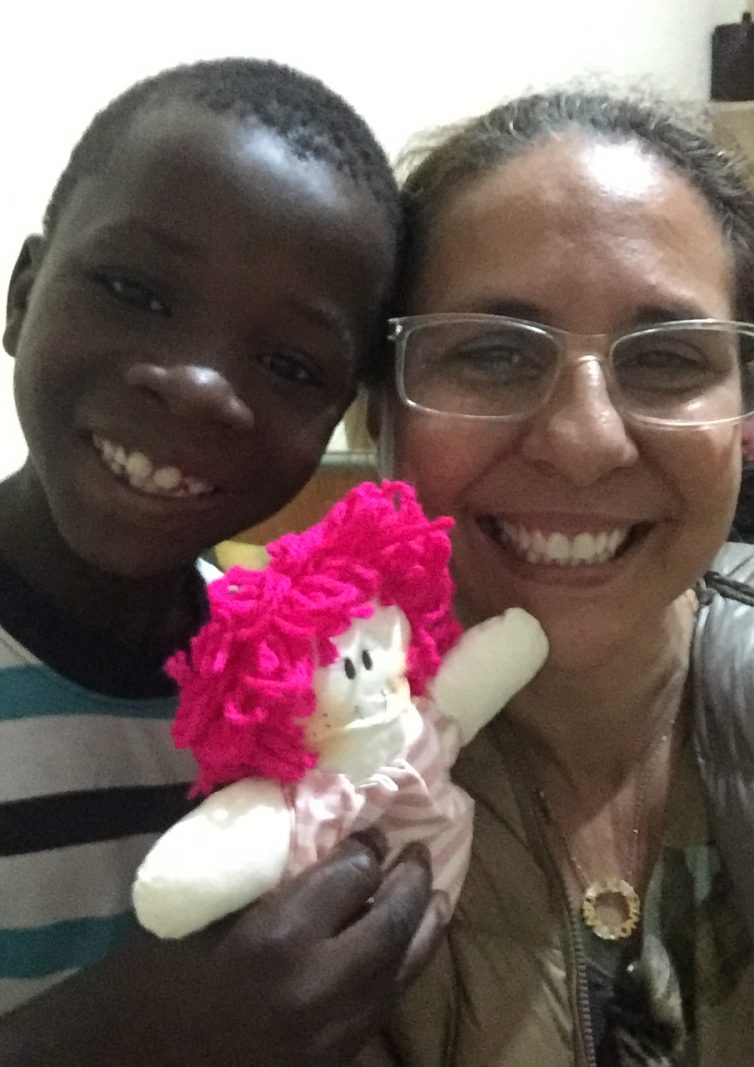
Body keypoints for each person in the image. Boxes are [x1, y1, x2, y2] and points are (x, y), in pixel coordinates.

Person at [0, 58, 441, 1063]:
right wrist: (124, 1039)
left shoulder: (290, 680)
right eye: (134, 290)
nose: (198, 386)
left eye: (289, 364)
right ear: (23, 296)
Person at [361, 90, 754, 1065]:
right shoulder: (285, 773)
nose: (583, 441)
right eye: (492, 353)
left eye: (668, 358)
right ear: (377, 408)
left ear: (749, 415)